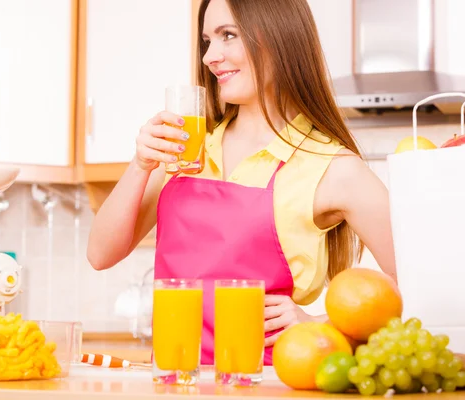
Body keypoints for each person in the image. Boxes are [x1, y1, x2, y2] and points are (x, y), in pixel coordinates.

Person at [87, 0, 397, 365]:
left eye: (227, 36)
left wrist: (321, 324)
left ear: (281, 39)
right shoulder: (187, 146)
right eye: (207, 41)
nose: (209, 57)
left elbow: (424, 285)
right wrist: (141, 164)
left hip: (269, 383)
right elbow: (100, 254)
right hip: (174, 382)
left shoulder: (332, 167)